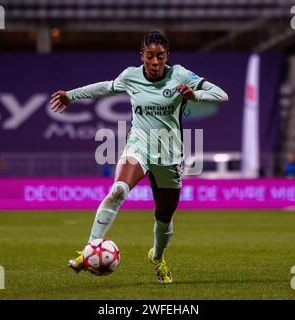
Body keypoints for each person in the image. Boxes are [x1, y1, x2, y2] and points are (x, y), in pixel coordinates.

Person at [50, 31, 228, 284]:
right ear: (141, 56)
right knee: (118, 191)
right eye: (150, 56)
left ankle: (157, 257)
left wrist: (195, 95)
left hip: (169, 155)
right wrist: (72, 95)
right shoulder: (130, 76)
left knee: (164, 216)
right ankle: (89, 250)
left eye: (160, 57)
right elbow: (105, 88)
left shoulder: (181, 75)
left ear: (167, 57)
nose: (155, 62)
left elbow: (222, 95)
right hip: (139, 147)